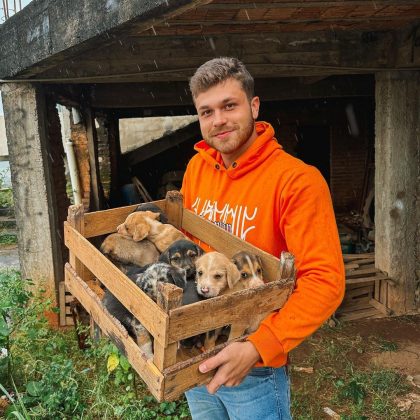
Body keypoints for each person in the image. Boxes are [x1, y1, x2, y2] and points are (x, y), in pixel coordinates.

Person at [181, 57, 345, 419]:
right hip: (194, 352)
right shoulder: (197, 169)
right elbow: (187, 245)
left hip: (250, 365)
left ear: (254, 106)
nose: (218, 120)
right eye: (206, 111)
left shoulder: (296, 181)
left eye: (229, 106)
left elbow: (324, 281)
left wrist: (259, 346)